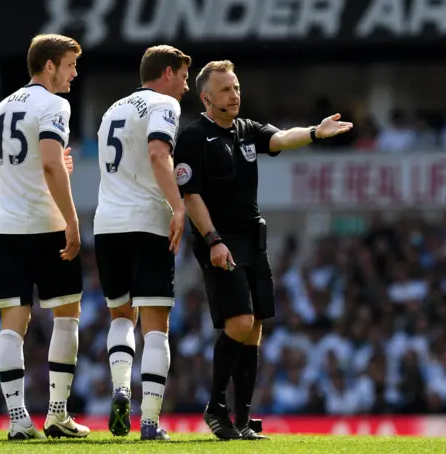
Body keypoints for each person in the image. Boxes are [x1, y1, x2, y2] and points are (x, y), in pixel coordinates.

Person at [173, 60, 353, 441]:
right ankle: (215, 405)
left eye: (236, 87)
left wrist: (316, 134)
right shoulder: (193, 137)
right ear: (206, 97)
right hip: (220, 240)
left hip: (253, 239)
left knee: (254, 329)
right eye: (225, 90)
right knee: (238, 322)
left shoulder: (247, 130)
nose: (234, 94)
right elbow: (191, 196)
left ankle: (242, 418)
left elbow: (283, 138)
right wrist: (213, 241)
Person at [0, 34, 89, 440]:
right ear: (49, 66)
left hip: (7, 227)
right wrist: (72, 221)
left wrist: (33, 166)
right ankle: (57, 415)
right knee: (67, 315)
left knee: (13, 326)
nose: (73, 74)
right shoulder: (54, 104)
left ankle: (17, 421)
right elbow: (49, 163)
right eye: (69, 65)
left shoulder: (2, 107)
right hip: (46, 225)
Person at [94, 45, 191, 441]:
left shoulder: (111, 110)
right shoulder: (164, 106)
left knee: (120, 318)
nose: (186, 86)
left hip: (107, 225)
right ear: (167, 73)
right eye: (184, 76)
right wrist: (179, 207)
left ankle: (120, 389)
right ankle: (149, 422)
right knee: (156, 330)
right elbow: (157, 153)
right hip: (148, 223)